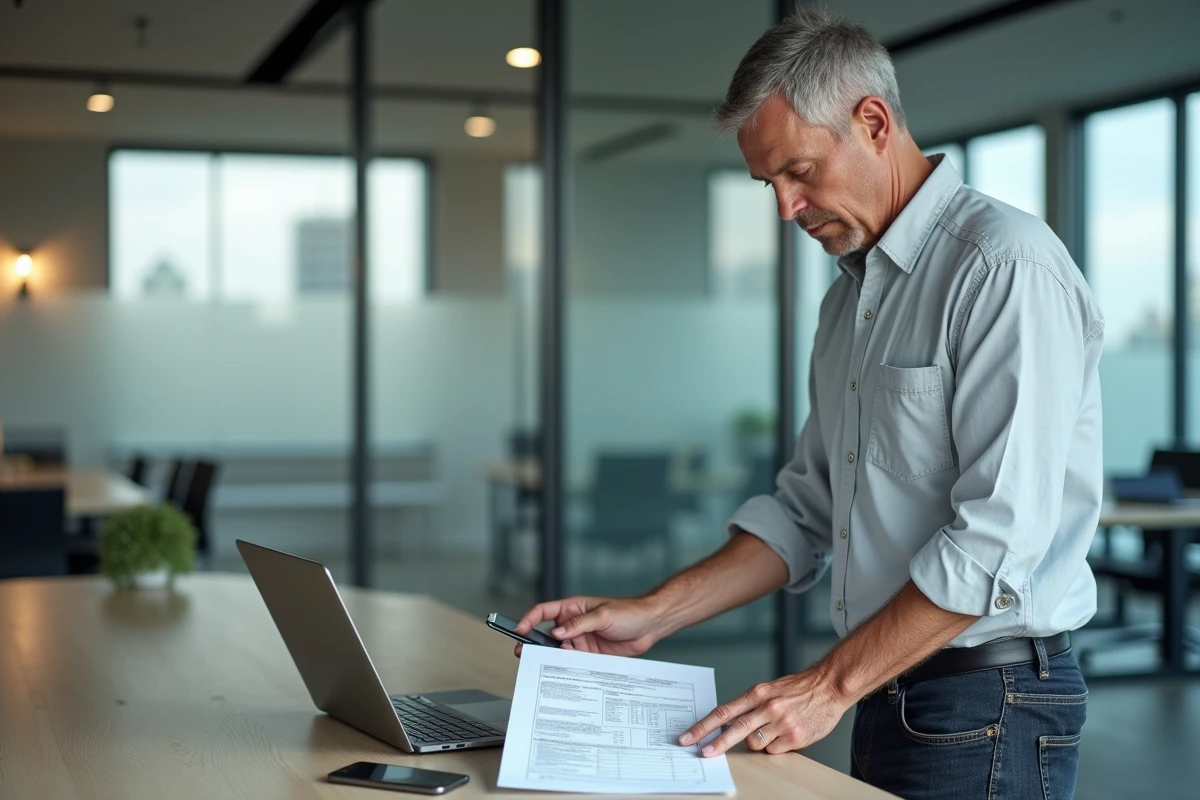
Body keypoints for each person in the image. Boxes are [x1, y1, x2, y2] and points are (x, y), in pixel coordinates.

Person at [514, 8, 1102, 800]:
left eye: (799, 172)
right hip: (888, 687)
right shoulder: (849, 301)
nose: (785, 209)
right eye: (769, 184)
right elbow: (807, 509)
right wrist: (653, 614)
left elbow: (999, 540)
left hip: (988, 699)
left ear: (873, 122)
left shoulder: (1003, 269)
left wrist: (828, 685)